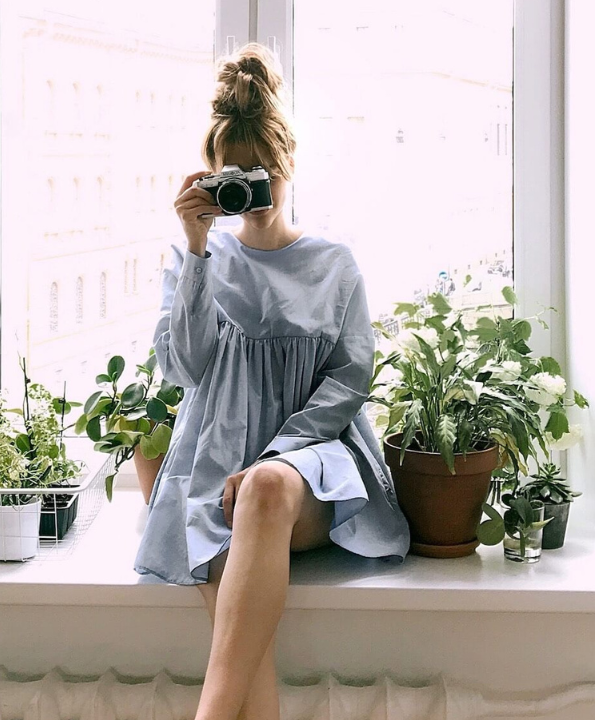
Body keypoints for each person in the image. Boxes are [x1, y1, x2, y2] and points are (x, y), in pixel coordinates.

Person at [133, 43, 410, 720]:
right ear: (215, 179)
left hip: (308, 467)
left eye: (265, 173)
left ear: (289, 166)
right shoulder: (199, 257)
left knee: (259, 488)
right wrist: (197, 248)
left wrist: (276, 456)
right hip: (209, 471)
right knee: (241, 645)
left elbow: (349, 381)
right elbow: (184, 369)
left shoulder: (333, 262)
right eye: (237, 177)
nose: (254, 192)